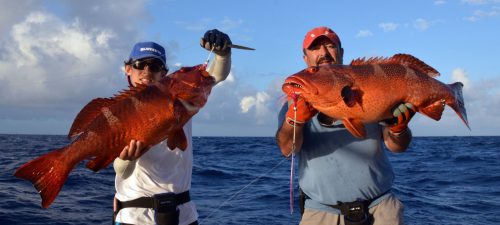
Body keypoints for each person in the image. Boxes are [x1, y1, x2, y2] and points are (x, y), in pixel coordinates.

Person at [275, 26, 415, 225]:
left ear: (341, 52)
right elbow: (287, 150)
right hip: (321, 214)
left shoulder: (370, 86)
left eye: (330, 46)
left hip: (381, 210)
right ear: (305, 57)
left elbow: (397, 146)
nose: (324, 53)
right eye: (315, 48)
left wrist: (399, 128)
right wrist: (294, 120)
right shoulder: (293, 102)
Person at [112, 29, 232, 225]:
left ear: (164, 73)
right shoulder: (119, 112)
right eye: (140, 64)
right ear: (128, 68)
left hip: (183, 215)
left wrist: (223, 53)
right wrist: (126, 160)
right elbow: (122, 171)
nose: (147, 71)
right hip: (135, 218)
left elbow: (216, 75)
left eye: (155, 66)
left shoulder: (180, 97)